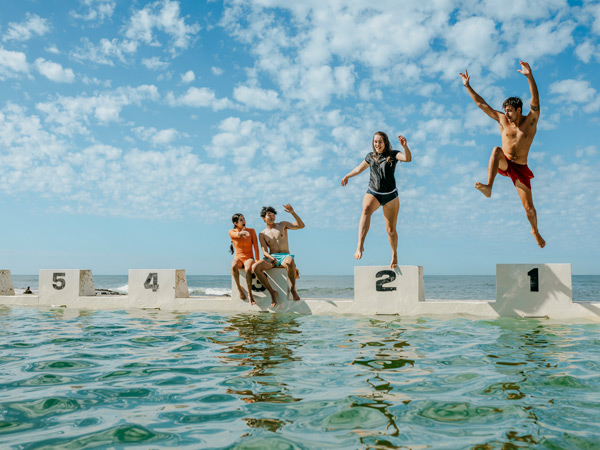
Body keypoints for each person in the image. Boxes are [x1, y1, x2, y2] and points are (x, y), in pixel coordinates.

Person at [459, 61, 545, 248]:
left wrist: (529, 76)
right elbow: (482, 105)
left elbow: (535, 102)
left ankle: (535, 231)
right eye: (504, 110)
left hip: (520, 168)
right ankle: (489, 187)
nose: (506, 114)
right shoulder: (502, 120)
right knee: (496, 150)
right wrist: (468, 86)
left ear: (519, 110)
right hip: (504, 162)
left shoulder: (530, 122)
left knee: (529, 209)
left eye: (509, 111)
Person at [341, 132, 412, 268]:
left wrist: (405, 147)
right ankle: (360, 245)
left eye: (380, 142)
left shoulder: (393, 154)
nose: (377, 144)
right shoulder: (370, 156)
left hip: (391, 196)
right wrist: (347, 176)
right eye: (375, 142)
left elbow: (407, 159)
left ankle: (394, 254)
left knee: (391, 230)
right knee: (366, 209)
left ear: (385, 142)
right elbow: (358, 169)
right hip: (373, 192)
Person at [252, 204, 305, 305]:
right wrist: (269, 257)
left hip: (285, 256)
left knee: (290, 261)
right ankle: (272, 293)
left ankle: (293, 289)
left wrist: (293, 213)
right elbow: (264, 251)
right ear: (263, 218)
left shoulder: (282, 225)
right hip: (272, 257)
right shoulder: (262, 234)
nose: (272, 216)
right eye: (269, 215)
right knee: (255, 267)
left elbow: (301, 226)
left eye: (273, 214)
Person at [229, 213, 259, 304]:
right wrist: (243, 232)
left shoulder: (252, 231)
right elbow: (236, 235)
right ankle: (239, 289)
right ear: (235, 223)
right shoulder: (231, 231)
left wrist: (257, 260)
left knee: (248, 269)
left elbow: (256, 247)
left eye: (244, 219)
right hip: (238, 258)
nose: (244, 221)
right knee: (233, 265)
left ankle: (250, 294)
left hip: (249, 257)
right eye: (241, 220)